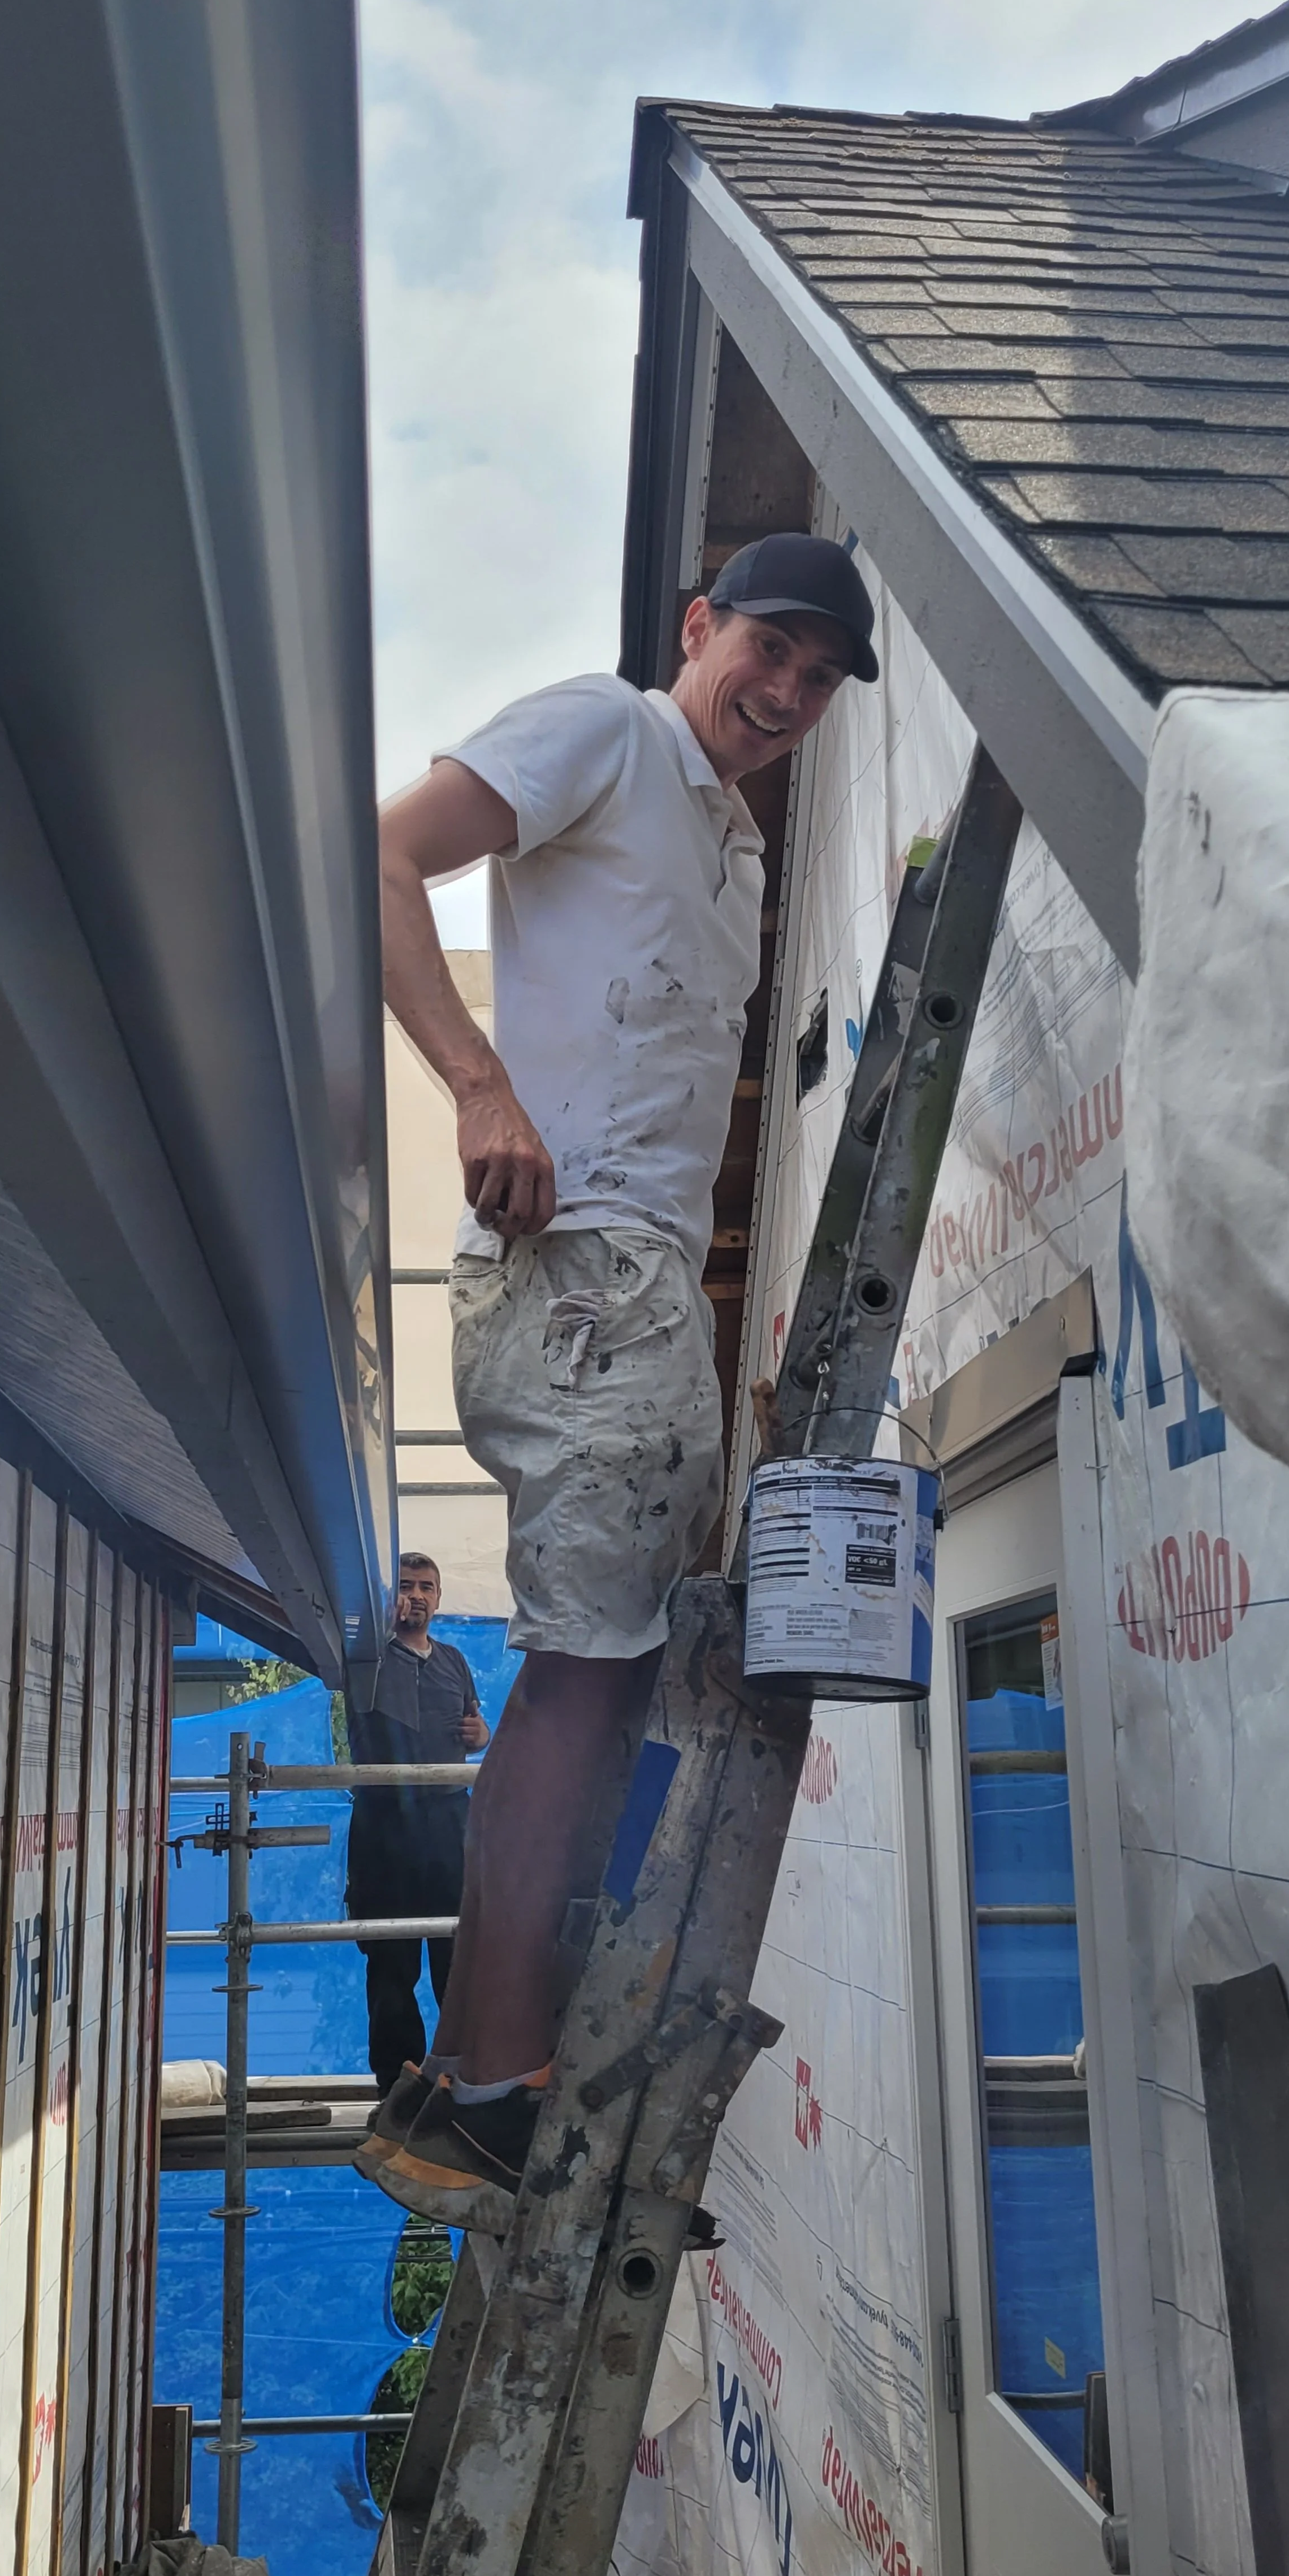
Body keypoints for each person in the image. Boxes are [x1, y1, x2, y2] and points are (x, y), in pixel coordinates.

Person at [360, 533, 876, 2228]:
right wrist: (475, 1086)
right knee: (589, 1679)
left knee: (583, 1674)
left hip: (630, 1282)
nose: (788, 691)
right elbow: (375, 855)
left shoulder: (727, 840)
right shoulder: (605, 728)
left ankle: (472, 2062)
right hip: (577, 1260)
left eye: (818, 677)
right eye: (772, 648)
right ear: (696, 626)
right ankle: (492, 2090)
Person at [347, 1551, 488, 2096]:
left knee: (458, 1956)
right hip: (386, 1825)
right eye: (406, 1585)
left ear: (439, 1596)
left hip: (450, 1821)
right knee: (390, 1960)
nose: (418, 1595)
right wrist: (383, 1621)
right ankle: (397, 2089)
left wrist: (484, 1736)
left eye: (427, 1586)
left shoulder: (453, 1660)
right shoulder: (368, 1659)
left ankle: (462, 2084)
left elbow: (476, 1727)